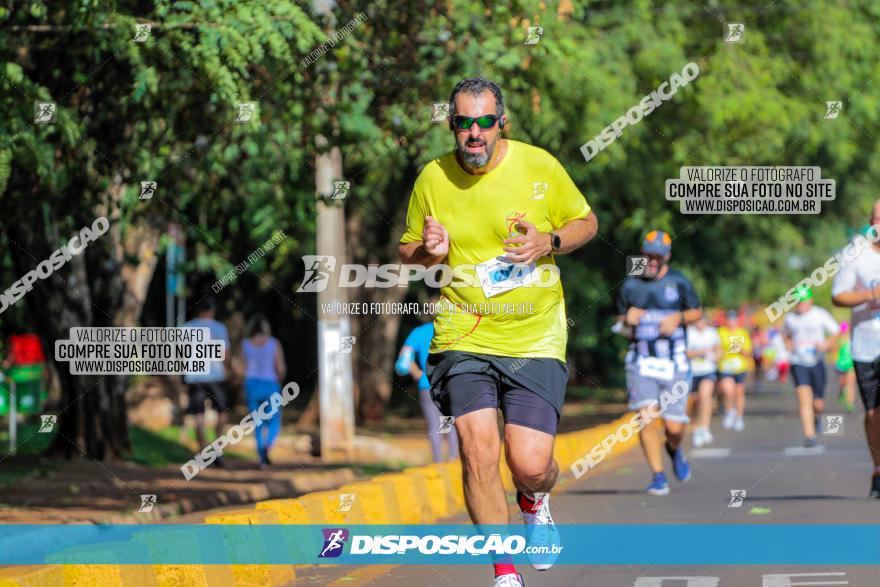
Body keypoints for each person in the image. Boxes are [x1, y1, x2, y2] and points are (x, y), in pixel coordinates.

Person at [399, 76, 598, 586]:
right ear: (452, 125)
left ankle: (534, 499)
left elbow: (586, 222)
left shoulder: (539, 165)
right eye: (464, 122)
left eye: (485, 121)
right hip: (463, 334)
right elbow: (407, 254)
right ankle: (504, 570)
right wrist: (428, 250)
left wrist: (548, 240)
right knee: (478, 451)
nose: (474, 133)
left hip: (534, 334)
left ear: (501, 122)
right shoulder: (433, 178)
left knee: (529, 463)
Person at [615, 230, 702, 496]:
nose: (651, 260)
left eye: (657, 256)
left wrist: (679, 318)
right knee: (646, 418)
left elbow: (697, 311)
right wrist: (626, 319)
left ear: (667, 256)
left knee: (674, 427)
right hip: (641, 362)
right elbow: (618, 322)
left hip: (674, 362)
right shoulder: (630, 283)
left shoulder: (679, 282)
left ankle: (674, 448)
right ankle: (657, 476)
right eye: (647, 255)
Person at [832, 201, 880, 497]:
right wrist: (872, 293)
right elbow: (838, 296)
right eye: (879, 218)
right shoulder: (856, 254)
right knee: (874, 413)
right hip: (867, 345)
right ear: (870, 221)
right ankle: (878, 470)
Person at [395, 318, 459, 462]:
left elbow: (403, 360)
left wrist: (417, 373)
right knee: (449, 422)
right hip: (449, 382)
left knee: (434, 425)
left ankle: (438, 462)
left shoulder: (419, 332)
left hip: (427, 383)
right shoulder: (453, 329)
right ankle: (453, 459)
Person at [782, 288, 839, 447]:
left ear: (810, 301)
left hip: (817, 362)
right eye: (797, 302)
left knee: (818, 403)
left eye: (803, 301)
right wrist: (788, 344)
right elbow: (784, 333)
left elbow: (836, 331)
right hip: (798, 362)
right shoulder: (790, 318)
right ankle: (810, 436)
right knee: (803, 396)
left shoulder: (819, 315)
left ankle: (817, 417)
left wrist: (826, 344)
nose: (800, 305)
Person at [183, 297, 231, 465]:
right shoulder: (219, 327)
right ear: (212, 310)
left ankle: (203, 451)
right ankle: (218, 449)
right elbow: (224, 354)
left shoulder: (186, 327)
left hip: (195, 376)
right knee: (221, 413)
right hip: (216, 376)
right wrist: (230, 368)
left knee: (199, 415)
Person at [238, 313, 287, 467]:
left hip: (251, 384)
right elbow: (280, 367)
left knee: (257, 422)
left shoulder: (245, 344)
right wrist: (280, 378)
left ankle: (262, 458)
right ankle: (268, 445)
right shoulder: (274, 343)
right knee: (274, 421)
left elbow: (241, 368)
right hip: (270, 384)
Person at [686, 315, 721, 447]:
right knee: (695, 401)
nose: (699, 323)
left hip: (708, 370)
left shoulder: (712, 333)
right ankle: (696, 427)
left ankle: (705, 428)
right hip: (692, 372)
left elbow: (719, 349)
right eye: (696, 320)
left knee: (705, 396)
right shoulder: (688, 332)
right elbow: (685, 353)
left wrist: (717, 357)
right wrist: (701, 352)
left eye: (701, 320)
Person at [717, 311, 752, 432]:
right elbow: (717, 348)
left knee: (739, 392)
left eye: (733, 320)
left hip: (740, 367)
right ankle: (729, 411)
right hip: (725, 366)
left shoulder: (741, 332)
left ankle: (739, 417)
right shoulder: (721, 332)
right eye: (729, 320)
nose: (731, 322)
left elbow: (747, 351)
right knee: (728, 390)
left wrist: (736, 349)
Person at [835, 322, 857, 413]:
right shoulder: (839, 339)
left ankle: (850, 404)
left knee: (850, 384)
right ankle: (842, 392)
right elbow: (834, 348)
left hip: (851, 364)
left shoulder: (854, 337)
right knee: (842, 382)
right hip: (841, 364)